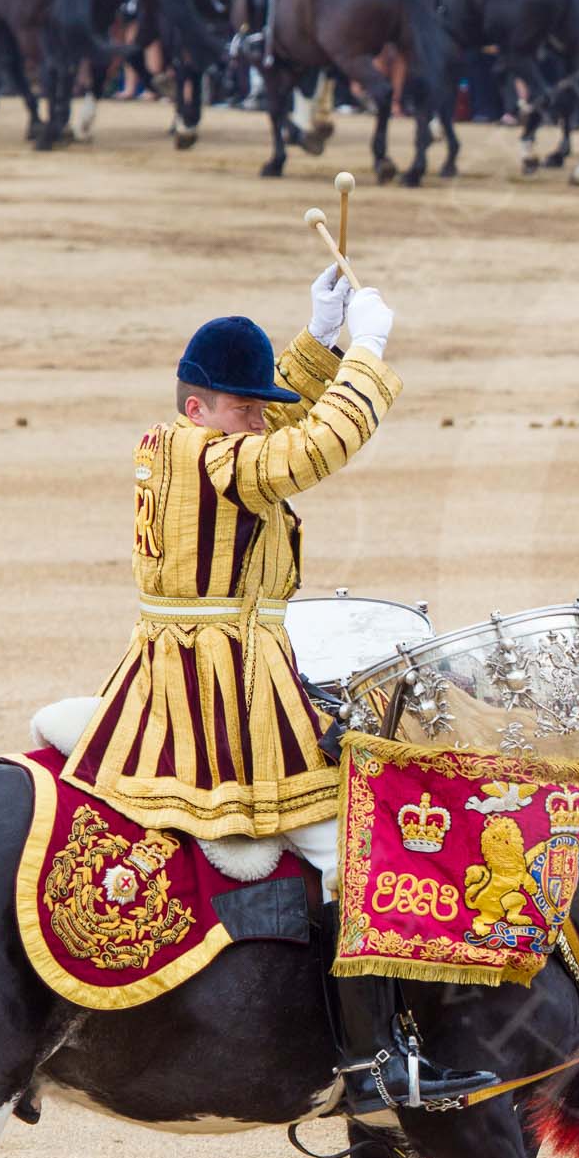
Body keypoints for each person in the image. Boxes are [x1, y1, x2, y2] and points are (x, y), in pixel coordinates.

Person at [60, 271, 498, 1114]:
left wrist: (320, 341)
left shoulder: (182, 445)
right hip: (222, 688)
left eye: (260, 406)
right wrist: (367, 354)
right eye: (242, 406)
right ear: (199, 407)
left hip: (181, 665)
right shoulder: (214, 456)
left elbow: (279, 422)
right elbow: (313, 445)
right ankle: (375, 1064)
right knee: (351, 847)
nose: (259, 417)